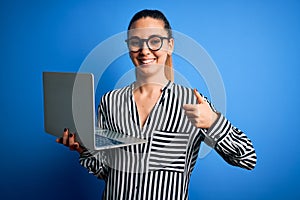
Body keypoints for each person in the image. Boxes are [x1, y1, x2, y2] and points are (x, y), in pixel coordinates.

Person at [57, 9, 257, 200]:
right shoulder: (110, 102)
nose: (145, 50)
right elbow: (109, 173)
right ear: (128, 47)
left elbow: (247, 158)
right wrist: (83, 149)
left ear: (170, 45)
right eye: (136, 42)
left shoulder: (194, 104)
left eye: (154, 41)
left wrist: (213, 122)